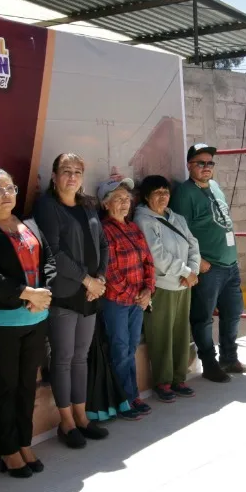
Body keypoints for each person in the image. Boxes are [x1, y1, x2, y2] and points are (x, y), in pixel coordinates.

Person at [0, 169, 54, 479]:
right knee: (5, 387)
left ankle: (23, 442)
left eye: (10, 187)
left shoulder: (28, 224)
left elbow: (49, 262)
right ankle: (7, 449)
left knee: (26, 385)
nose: (6, 194)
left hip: (35, 317)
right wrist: (25, 293)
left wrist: (43, 295)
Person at [32, 153, 110, 449]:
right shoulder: (47, 206)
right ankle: (66, 422)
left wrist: (99, 278)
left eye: (77, 171)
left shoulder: (88, 205)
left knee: (81, 357)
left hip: (91, 292)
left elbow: (103, 244)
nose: (72, 177)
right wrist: (86, 279)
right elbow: (52, 252)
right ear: (54, 176)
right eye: (66, 171)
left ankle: (82, 416)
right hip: (65, 293)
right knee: (63, 359)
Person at [170, 143, 246, 382]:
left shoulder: (215, 186)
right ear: (189, 166)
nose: (206, 167)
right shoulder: (185, 193)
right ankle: (209, 362)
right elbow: (179, 232)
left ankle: (229, 358)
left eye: (210, 163)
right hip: (209, 268)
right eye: (200, 163)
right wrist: (200, 261)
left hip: (230, 265)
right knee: (203, 317)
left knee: (233, 312)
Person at [134, 175, 199, 403]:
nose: (163, 197)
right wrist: (185, 272)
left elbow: (193, 244)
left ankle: (179, 378)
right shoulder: (144, 220)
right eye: (157, 193)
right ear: (146, 196)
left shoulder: (177, 218)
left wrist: (193, 271)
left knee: (181, 333)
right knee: (161, 334)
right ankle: (163, 381)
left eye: (166, 192)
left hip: (184, 284)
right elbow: (157, 255)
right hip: (162, 286)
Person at [97, 178, 155, 419]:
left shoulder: (133, 228)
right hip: (117, 302)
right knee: (120, 350)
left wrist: (148, 290)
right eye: (118, 199)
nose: (124, 203)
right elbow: (109, 271)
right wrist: (135, 296)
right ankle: (124, 400)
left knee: (130, 348)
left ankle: (132, 396)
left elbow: (148, 261)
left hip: (136, 301)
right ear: (106, 204)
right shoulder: (103, 230)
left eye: (126, 198)